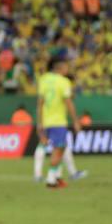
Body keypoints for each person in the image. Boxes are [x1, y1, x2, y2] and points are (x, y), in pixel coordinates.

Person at [37, 56, 82, 189]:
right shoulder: (63, 82)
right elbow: (69, 102)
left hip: (46, 121)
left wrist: (39, 122)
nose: (67, 70)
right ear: (60, 68)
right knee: (59, 150)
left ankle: (56, 178)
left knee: (59, 150)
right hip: (58, 122)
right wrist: (75, 121)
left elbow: (40, 103)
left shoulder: (44, 80)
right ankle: (51, 179)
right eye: (66, 67)